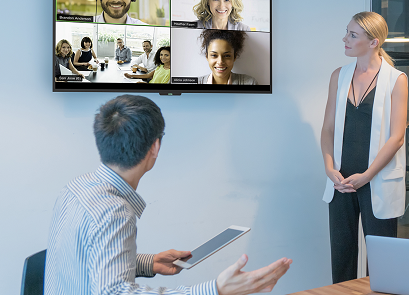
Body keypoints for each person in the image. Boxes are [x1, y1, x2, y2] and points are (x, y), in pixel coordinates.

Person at [44, 95, 292, 295]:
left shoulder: (75, 189)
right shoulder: (114, 211)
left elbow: (85, 261)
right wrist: (214, 290)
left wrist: (147, 263)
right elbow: (115, 292)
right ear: (155, 147)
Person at [320, 11, 408, 283]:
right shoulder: (339, 75)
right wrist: (329, 168)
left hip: (376, 181)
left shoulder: (396, 79)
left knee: (382, 264)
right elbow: (328, 128)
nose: (344, 39)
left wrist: (367, 176)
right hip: (341, 182)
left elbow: (397, 137)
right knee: (342, 257)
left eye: (352, 34)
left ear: (374, 42)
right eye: (347, 32)